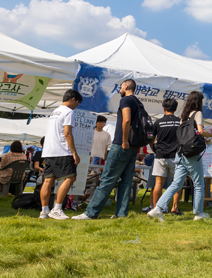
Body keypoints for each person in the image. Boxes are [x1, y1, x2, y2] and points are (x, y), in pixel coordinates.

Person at [74, 79, 144, 220]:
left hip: (122, 145)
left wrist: (124, 140)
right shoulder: (139, 102)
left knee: (106, 179)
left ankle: (91, 213)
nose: (119, 89)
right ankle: (121, 214)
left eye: (120, 87)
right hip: (133, 147)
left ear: (125, 86)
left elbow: (126, 119)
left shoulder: (125, 100)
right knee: (126, 181)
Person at [148, 91, 212, 221]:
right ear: (198, 102)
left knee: (176, 184)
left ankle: (157, 208)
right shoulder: (197, 114)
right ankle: (199, 213)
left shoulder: (184, 116)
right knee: (199, 184)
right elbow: (200, 131)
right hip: (191, 155)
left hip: (180, 154)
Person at [40, 89, 83, 220]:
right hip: (62, 150)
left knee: (48, 181)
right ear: (73, 99)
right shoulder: (69, 112)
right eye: (77, 103)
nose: (77, 106)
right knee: (71, 178)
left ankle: (44, 211)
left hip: (49, 150)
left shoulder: (54, 112)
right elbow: (67, 133)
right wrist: (74, 153)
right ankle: (57, 209)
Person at [146, 98, 181, 215]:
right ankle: (175, 208)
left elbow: (151, 138)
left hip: (160, 155)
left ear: (164, 108)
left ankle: (156, 209)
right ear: (175, 109)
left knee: (158, 183)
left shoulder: (158, 122)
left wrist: (153, 148)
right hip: (176, 156)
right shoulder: (180, 122)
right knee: (177, 182)